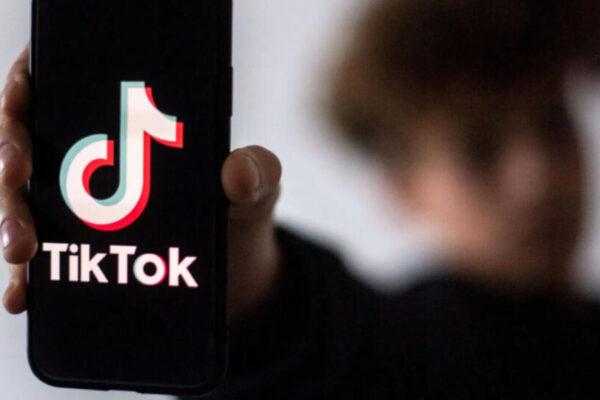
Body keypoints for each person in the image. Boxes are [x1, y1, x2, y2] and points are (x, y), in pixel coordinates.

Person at [3, 0, 600, 398]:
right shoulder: (412, 350)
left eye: (553, 124)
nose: (539, 177)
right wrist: (240, 295)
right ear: (402, 188)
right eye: (478, 150)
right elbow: (320, 346)